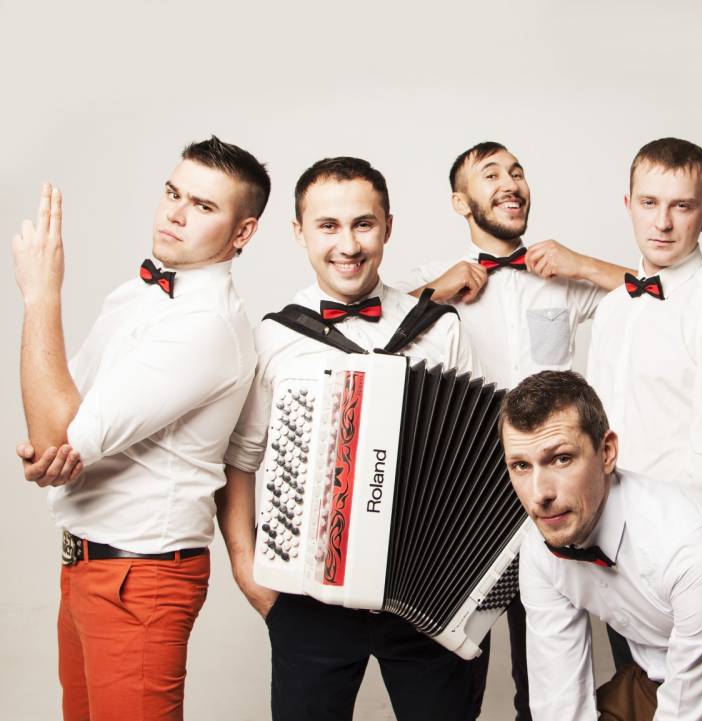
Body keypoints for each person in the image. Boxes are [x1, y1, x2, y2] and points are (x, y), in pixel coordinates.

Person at [218, 156, 485, 721]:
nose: (348, 245)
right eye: (328, 226)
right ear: (299, 232)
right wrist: (247, 569)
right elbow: (240, 459)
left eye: (363, 224)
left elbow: (478, 455)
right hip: (309, 599)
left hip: (426, 598)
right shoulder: (275, 337)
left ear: (388, 227)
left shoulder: (441, 328)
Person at [12, 136, 269, 720]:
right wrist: (53, 444)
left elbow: (59, 433)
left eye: (203, 206)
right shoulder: (134, 296)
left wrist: (40, 296)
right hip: (86, 566)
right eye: (173, 193)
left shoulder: (206, 326)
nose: (176, 214)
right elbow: (56, 416)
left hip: (139, 579)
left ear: (243, 232)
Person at [393, 140, 630, 718]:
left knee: (551, 673)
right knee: (456, 670)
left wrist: (582, 264)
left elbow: (657, 296)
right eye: (491, 174)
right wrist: (435, 293)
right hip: (466, 500)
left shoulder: (561, 275)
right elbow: (374, 333)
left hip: (554, 492)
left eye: (517, 172)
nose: (510, 183)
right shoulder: (431, 282)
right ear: (460, 202)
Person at [499, 370, 702, 721]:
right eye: (521, 465)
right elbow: (559, 703)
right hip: (649, 682)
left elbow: (689, 712)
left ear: (607, 452)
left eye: (561, 459)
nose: (540, 494)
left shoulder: (698, 545)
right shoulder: (541, 542)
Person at [586, 137, 702, 669]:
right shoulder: (614, 308)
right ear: (629, 205)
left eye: (681, 206)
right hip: (611, 556)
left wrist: (649, 542)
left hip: (684, 557)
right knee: (632, 695)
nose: (662, 222)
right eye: (649, 203)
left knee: (697, 703)